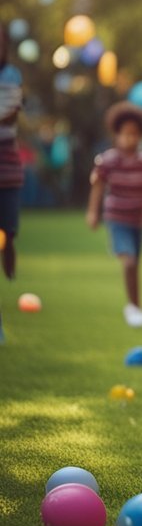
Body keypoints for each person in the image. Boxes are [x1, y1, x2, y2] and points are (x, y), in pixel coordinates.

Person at [87, 102, 142, 327]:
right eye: (125, 134)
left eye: (135, 134)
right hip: (117, 218)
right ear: (117, 134)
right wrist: (93, 212)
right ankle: (133, 308)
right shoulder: (108, 161)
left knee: (135, 264)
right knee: (129, 262)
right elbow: (98, 186)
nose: (130, 139)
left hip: (139, 220)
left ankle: (135, 306)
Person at [0, 28, 23, 344]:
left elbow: (11, 114)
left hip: (6, 160)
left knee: (8, 229)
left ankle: (10, 242)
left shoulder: (11, 75)